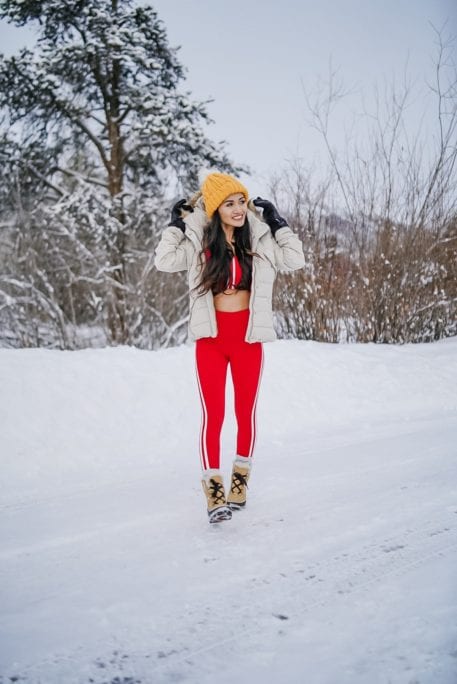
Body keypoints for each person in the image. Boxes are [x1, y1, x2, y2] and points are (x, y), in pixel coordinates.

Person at [155, 172, 305, 523]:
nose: (238, 209)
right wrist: (176, 225)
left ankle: (240, 483)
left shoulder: (259, 237)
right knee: (214, 416)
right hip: (211, 340)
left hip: (247, 339)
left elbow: (295, 259)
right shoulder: (198, 242)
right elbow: (164, 261)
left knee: (244, 414)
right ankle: (214, 494)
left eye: (241, 201)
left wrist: (278, 222)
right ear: (214, 208)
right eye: (229, 203)